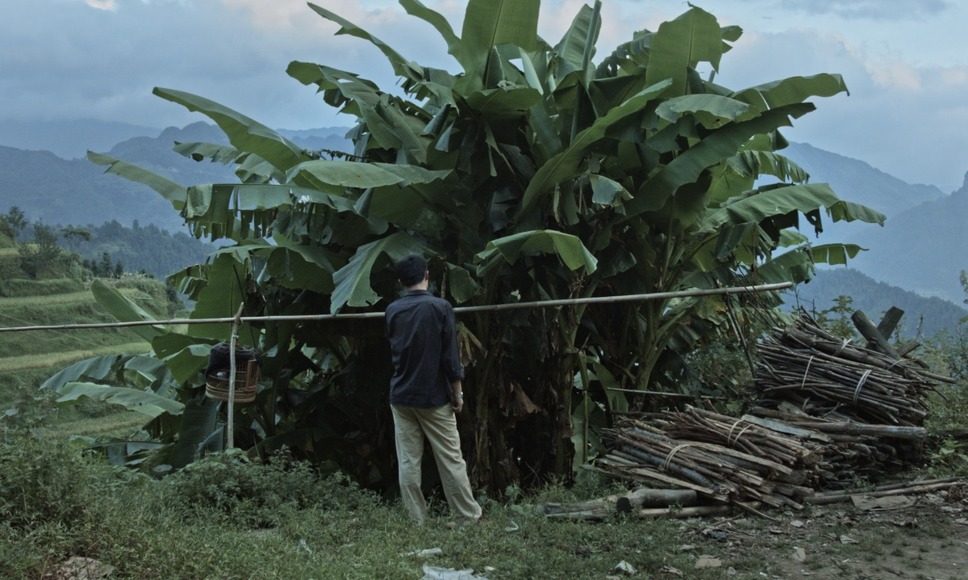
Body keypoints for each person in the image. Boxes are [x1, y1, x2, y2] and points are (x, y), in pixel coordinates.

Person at [385, 254, 482, 526]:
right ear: (426, 276)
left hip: (401, 396)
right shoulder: (441, 307)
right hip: (433, 397)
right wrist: (458, 393)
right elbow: (451, 357)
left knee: (408, 462)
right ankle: (466, 516)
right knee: (451, 458)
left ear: (401, 282)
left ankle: (417, 521)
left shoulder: (392, 310)